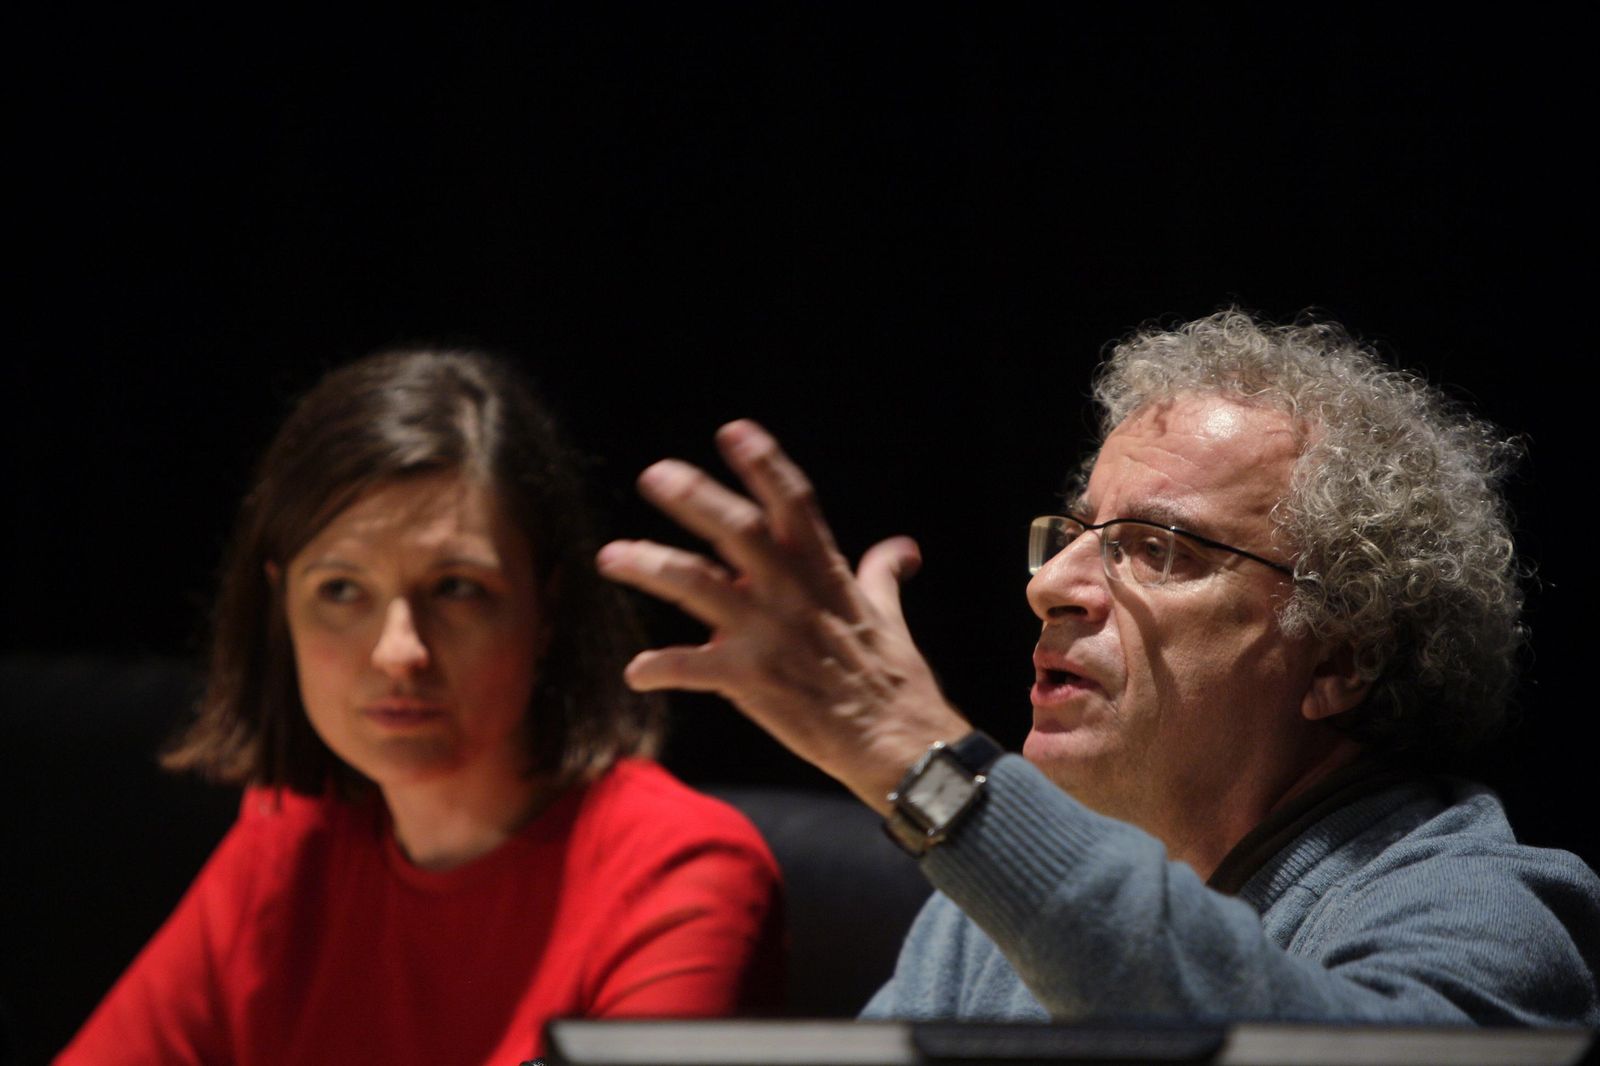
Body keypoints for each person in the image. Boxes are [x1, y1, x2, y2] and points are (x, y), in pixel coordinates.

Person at [596, 310, 1600, 1025]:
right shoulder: (981, 922)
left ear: (1342, 653)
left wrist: (929, 768)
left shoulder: (1485, 910)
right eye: (1073, 534)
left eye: (1159, 547)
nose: (1055, 585)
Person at [59, 349, 782, 1065]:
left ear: (547, 609)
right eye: (341, 591)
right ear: (281, 608)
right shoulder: (286, 842)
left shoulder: (682, 876)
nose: (397, 651)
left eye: (457, 589)